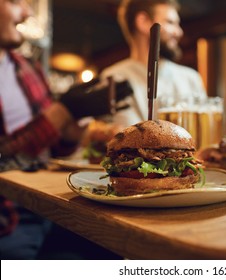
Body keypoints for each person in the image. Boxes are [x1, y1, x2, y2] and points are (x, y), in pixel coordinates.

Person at [0, 0, 131, 259]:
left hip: (50, 205)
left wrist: (72, 132)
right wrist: (60, 113)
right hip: (9, 219)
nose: (27, 12)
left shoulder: (27, 67)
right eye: (16, 1)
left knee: (115, 250)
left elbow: (54, 147)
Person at [101, 0, 207, 126]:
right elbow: (126, 138)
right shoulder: (114, 78)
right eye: (170, 22)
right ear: (143, 22)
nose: (179, 32)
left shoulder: (191, 78)